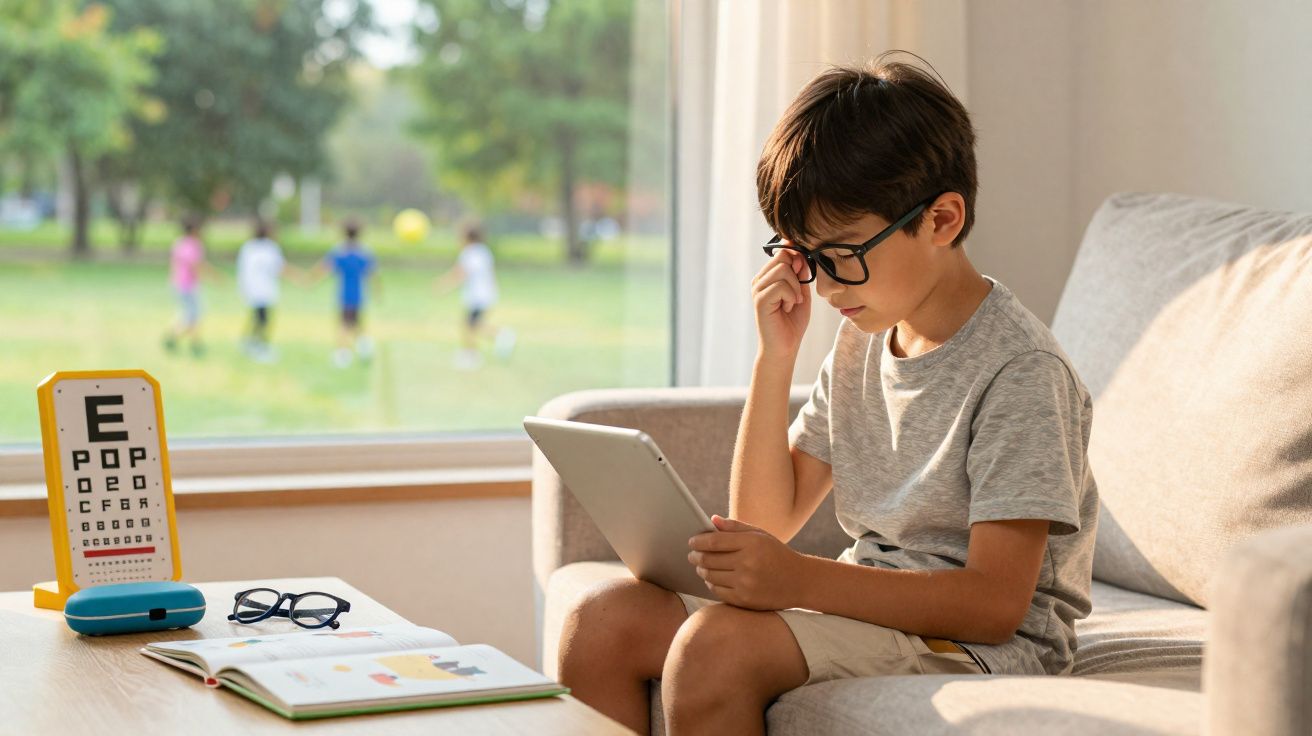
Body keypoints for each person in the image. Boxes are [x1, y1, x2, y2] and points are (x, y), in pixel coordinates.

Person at [555, 53, 1100, 735]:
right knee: (602, 623)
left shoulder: (1020, 371)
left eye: (841, 254)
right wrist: (775, 357)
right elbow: (764, 521)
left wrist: (798, 582)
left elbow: (994, 605)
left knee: (716, 650)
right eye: (804, 257)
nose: (826, 284)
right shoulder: (863, 339)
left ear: (942, 220)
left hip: (981, 649)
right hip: (873, 615)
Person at [434, 224, 515, 370]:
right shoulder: (484, 252)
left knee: (470, 325)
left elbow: (460, 273)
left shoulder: (469, 253)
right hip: (487, 295)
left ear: (467, 237)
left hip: (477, 296)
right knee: (472, 325)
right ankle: (491, 341)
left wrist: (443, 286)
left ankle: (474, 353)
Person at [314, 219, 378, 368]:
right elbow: (373, 275)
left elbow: (324, 268)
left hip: (344, 295)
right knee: (355, 322)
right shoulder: (364, 253)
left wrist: (311, 280)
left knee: (344, 325)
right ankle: (364, 346)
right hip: (359, 295)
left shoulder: (339, 253)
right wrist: (377, 292)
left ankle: (343, 354)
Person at [236, 220, 286, 362]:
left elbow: (242, 270)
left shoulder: (248, 247)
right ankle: (260, 346)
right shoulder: (270, 248)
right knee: (263, 319)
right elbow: (280, 267)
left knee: (258, 318)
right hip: (264, 290)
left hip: (252, 289)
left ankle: (251, 342)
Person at [163, 216, 214, 357]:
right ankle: (181, 339)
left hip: (177, 283)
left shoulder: (179, 243)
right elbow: (196, 265)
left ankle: (188, 341)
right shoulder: (193, 245)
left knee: (190, 314)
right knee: (193, 315)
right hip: (188, 285)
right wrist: (211, 277)